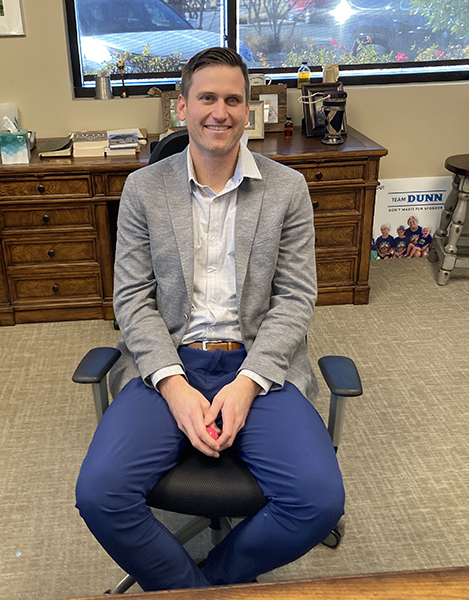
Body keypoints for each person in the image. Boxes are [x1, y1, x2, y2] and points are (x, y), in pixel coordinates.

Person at [75, 47, 345, 592]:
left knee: (318, 501)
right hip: (169, 362)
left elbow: (295, 299)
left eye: (232, 99)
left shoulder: (287, 190)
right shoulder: (143, 190)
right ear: (181, 107)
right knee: (99, 493)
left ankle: (205, 583)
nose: (219, 112)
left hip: (258, 366)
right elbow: (131, 299)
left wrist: (248, 384)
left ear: (249, 111)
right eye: (206, 98)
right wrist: (173, 385)